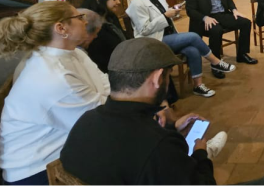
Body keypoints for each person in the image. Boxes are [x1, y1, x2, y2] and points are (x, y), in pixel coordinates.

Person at [61, 38, 223, 184]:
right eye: (168, 76)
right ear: (157, 78)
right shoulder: (159, 146)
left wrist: (170, 130)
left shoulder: (86, 120)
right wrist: (200, 154)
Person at [0, 2, 110, 184]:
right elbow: (99, 121)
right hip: (35, 170)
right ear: (61, 28)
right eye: (79, 18)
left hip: (64, 151)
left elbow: (104, 82)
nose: (85, 21)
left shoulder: (75, 54)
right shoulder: (53, 75)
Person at [126, 0, 232, 98]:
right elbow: (144, 30)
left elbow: (164, 15)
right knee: (193, 36)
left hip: (168, 35)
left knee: (193, 50)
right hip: (153, 40)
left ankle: (198, 86)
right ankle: (215, 61)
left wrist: (173, 11)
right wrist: (165, 16)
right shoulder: (137, 3)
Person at [186, 0, 257, 65]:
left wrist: (234, 10)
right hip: (206, 18)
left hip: (222, 14)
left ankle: (242, 54)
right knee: (216, 30)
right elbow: (190, 10)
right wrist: (205, 18)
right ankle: (216, 62)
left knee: (245, 22)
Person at [80, 0, 129, 73]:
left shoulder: (111, 16)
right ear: (99, 0)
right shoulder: (90, 21)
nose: (118, 2)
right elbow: (98, 54)